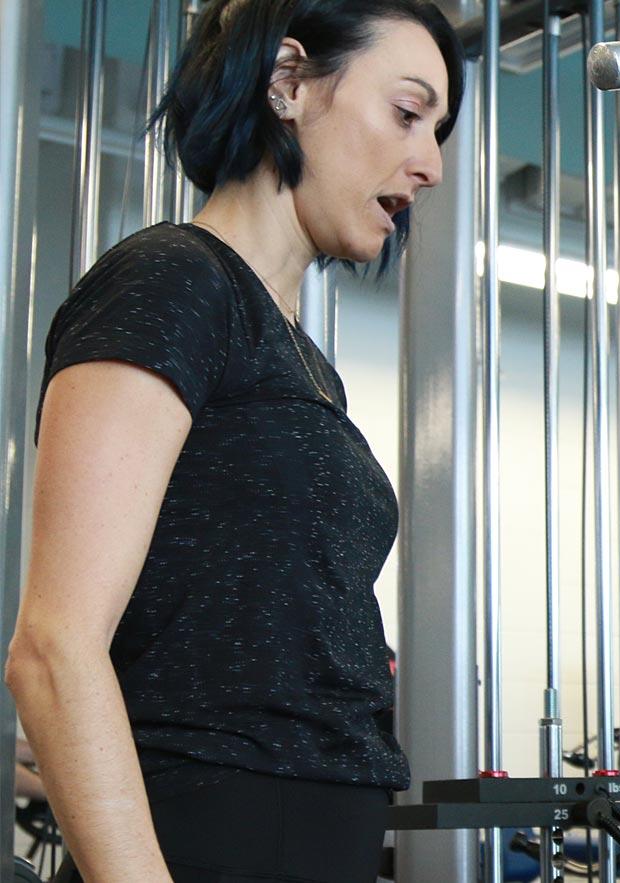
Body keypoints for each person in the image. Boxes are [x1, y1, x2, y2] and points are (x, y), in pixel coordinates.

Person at [7, 2, 463, 880]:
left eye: (438, 130)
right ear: (288, 83)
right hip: (207, 835)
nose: (430, 164)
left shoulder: (299, 354)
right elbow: (53, 648)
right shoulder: (172, 282)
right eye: (408, 114)